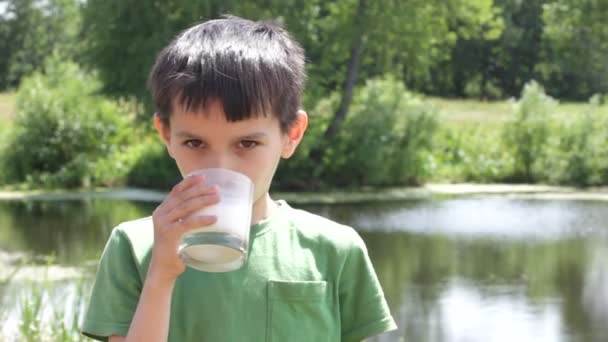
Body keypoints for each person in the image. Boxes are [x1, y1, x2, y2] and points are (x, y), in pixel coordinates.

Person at [81, 15, 397, 342]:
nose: (222, 165)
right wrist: (160, 276)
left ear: (291, 134)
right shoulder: (134, 248)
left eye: (247, 143)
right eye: (195, 143)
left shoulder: (335, 249)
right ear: (166, 135)